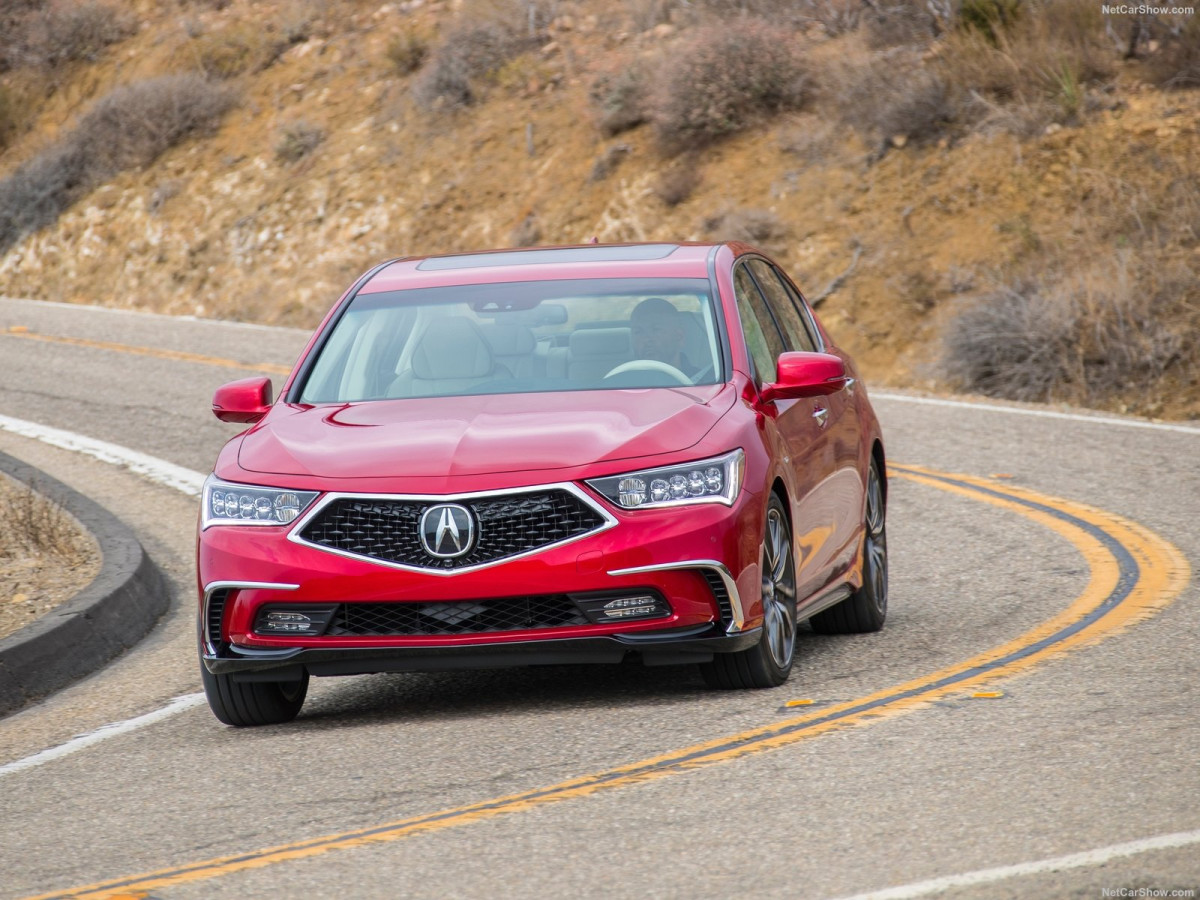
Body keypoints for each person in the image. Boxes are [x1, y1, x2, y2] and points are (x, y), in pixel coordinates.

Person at [629, 297, 699, 378]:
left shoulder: (705, 383)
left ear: (679, 337)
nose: (646, 339)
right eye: (638, 332)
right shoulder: (622, 384)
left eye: (656, 330)